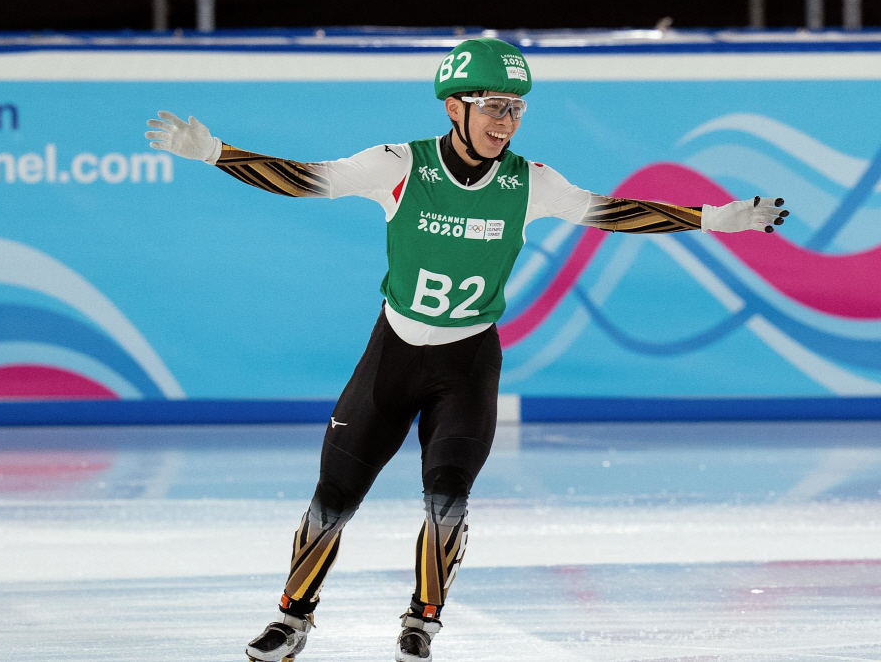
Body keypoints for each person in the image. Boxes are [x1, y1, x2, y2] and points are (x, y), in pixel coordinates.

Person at [145, 38, 787, 662]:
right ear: (454, 106)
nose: (505, 121)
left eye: (516, 108)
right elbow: (308, 180)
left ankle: (422, 623)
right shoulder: (399, 165)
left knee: (446, 494)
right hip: (392, 354)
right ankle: (291, 617)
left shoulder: (529, 182)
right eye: (492, 106)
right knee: (334, 493)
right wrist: (215, 152)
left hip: (467, 364)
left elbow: (612, 212)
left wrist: (713, 218)